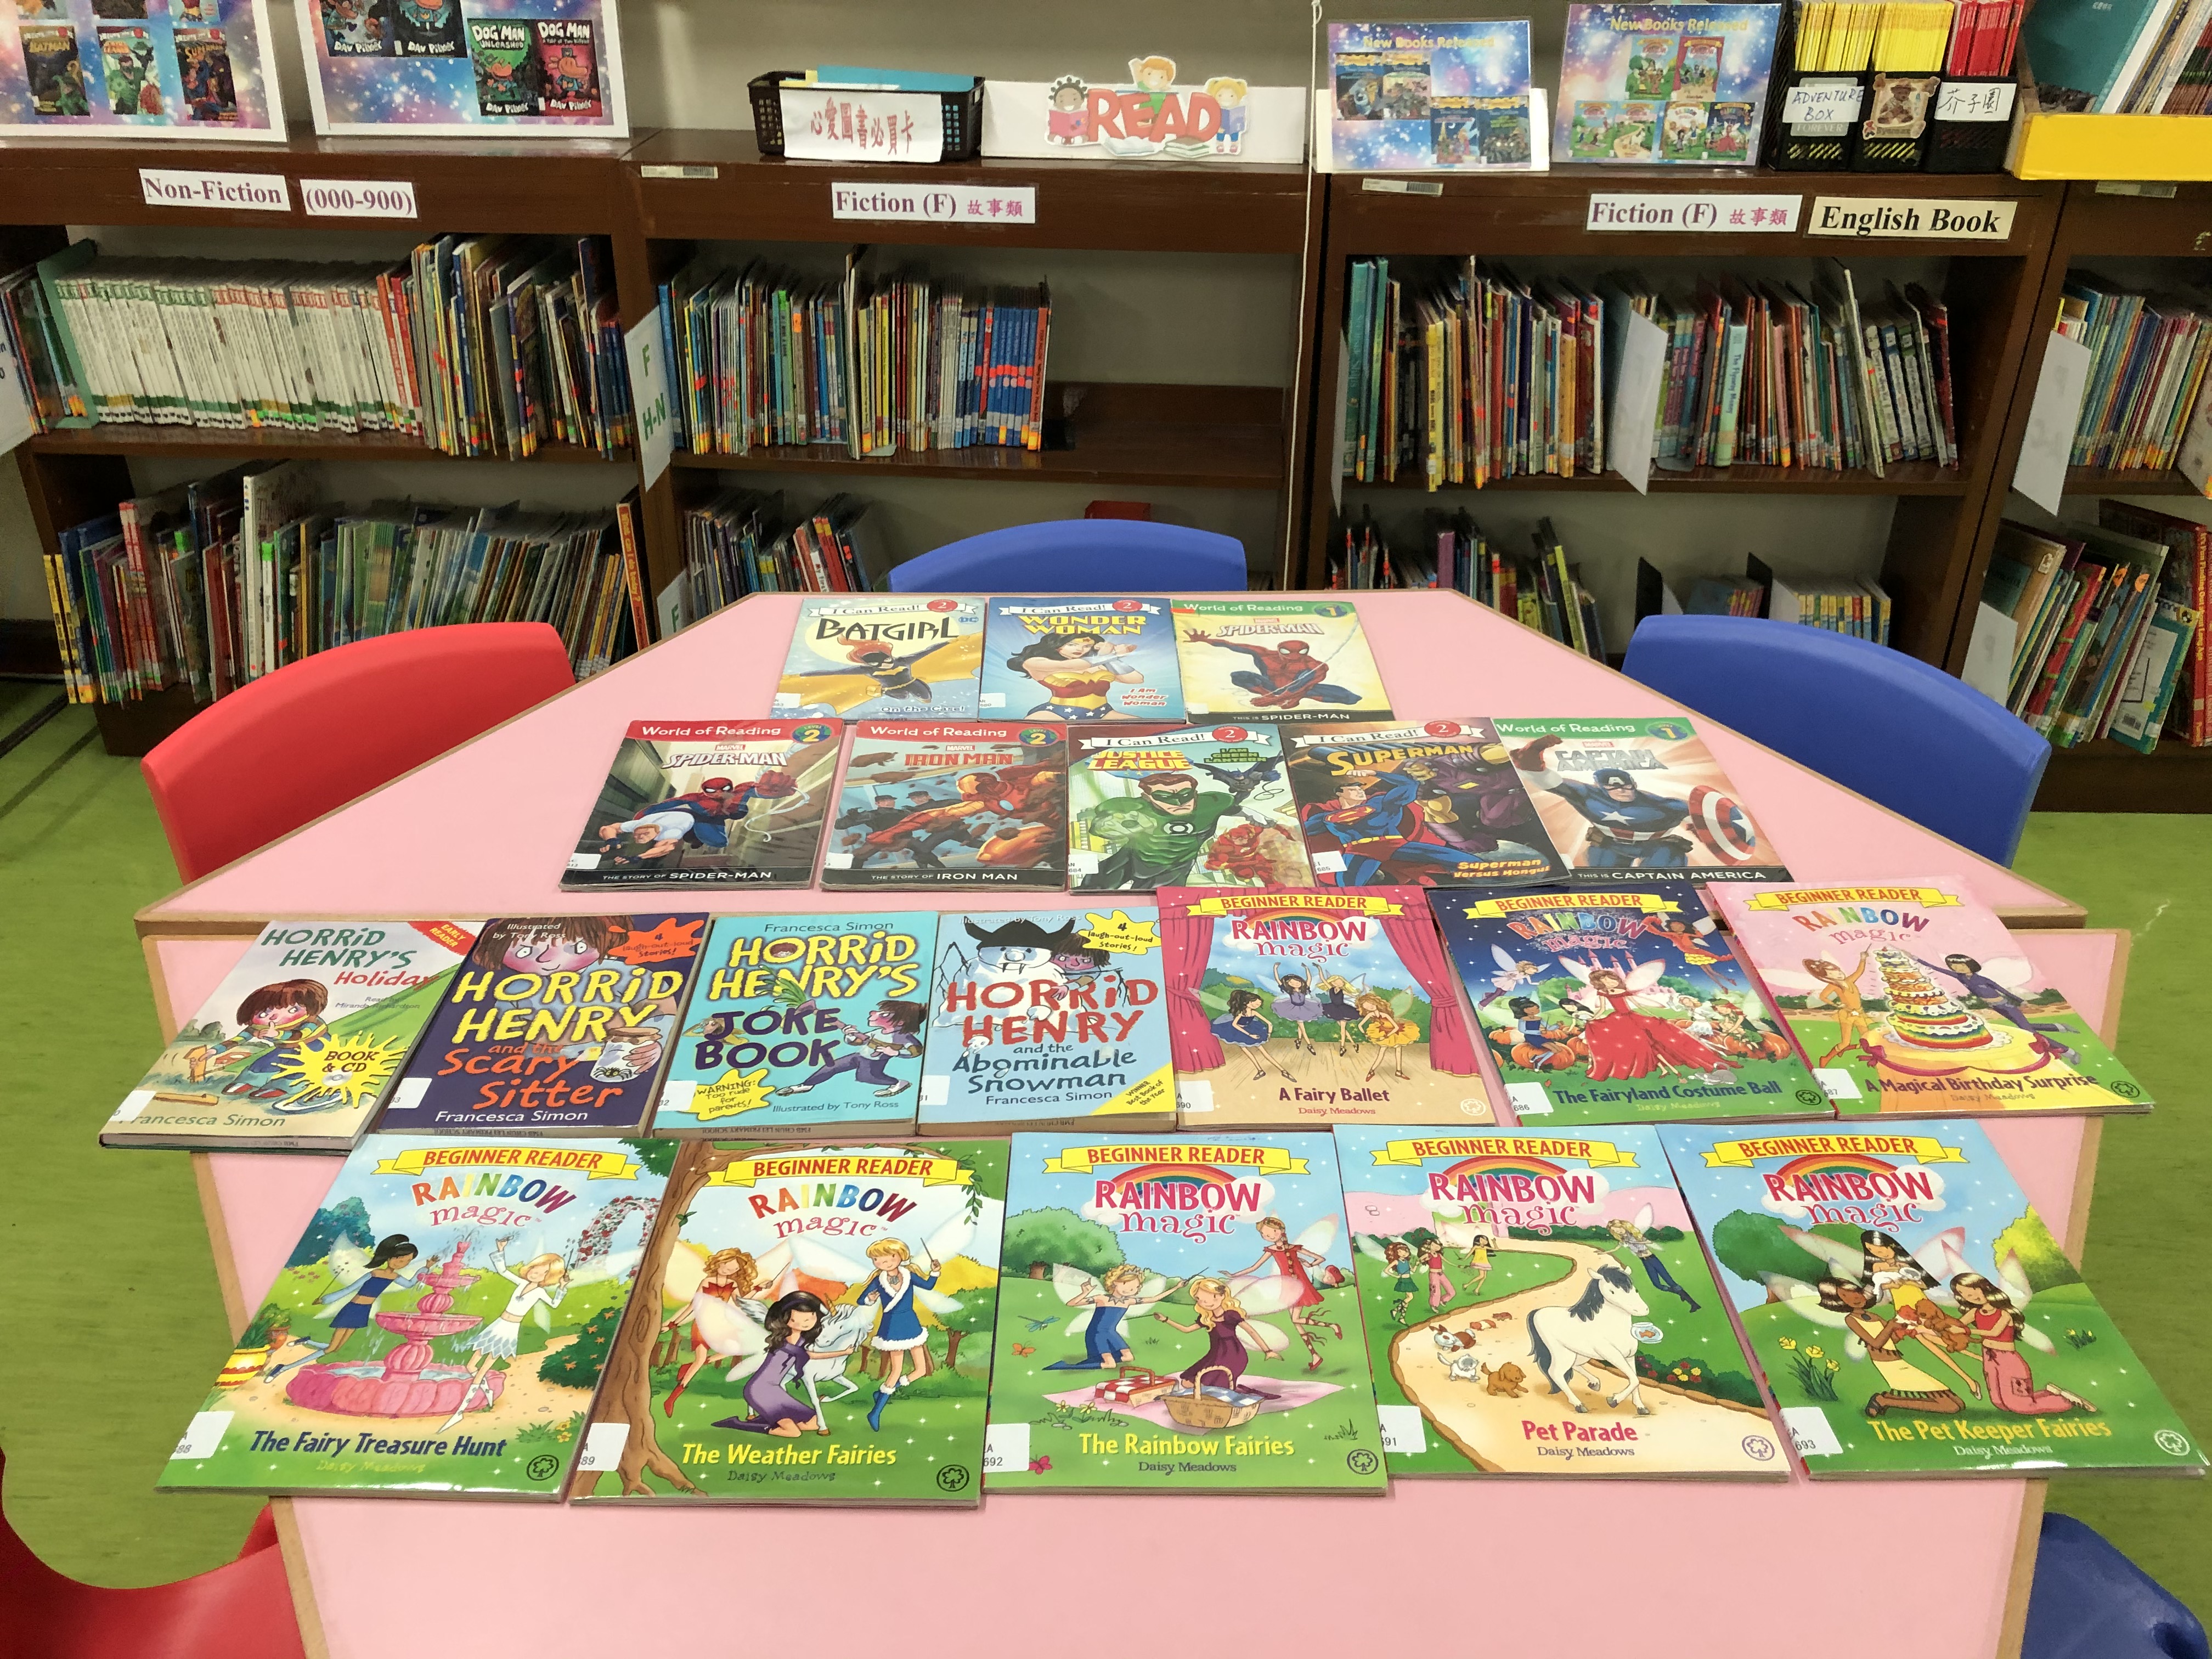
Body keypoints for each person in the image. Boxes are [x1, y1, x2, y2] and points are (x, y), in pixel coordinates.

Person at [1511, 733, 1756, 870]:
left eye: (1626, 786)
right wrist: (1533, 753)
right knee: (1602, 881)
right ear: (1602, 788)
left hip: (1657, 847)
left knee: (1666, 872)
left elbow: (1706, 815)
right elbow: (1547, 779)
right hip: (1610, 845)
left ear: (1634, 784)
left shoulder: (1663, 805)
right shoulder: (1586, 795)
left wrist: (1707, 829)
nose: (1622, 791)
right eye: (1613, 787)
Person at [1077, 763, 1277, 890]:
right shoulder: (1136, 807)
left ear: (1195, 793)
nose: (1178, 802)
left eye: (1185, 795)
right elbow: (1103, 821)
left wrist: (1254, 815)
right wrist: (1114, 825)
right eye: (1164, 797)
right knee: (1092, 887)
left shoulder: (1212, 802)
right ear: (1148, 797)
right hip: (1132, 857)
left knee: (1155, 902)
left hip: (1175, 865)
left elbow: (1233, 808)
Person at [440, 1239, 568, 1429]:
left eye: (542, 1272)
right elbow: (503, 1271)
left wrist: (562, 1288)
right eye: (535, 1268)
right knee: (471, 1365)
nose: (535, 1273)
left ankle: (459, 1412)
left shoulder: (540, 1292)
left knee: (482, 1371)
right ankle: (488, 1393)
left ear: (548, 1277)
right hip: (498, 1325)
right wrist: (500, 1250)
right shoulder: (521, 1282)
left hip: (508, 1330)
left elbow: (554, 1304)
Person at [1820, 1279, 1979, 1418]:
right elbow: (1876, 1343)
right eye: (1845, 1296)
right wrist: (1891, 1326)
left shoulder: (1874, 1316)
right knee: (1951, 1407)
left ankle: (1887, 1399)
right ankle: (1884, 1401)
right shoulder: (1851, 1319)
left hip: (1898, 1360)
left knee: (1959, 1403)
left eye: (1855, 1292)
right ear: (1838, 1302)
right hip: (1889, 1365)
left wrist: (1905, 1327)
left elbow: (1892, 1339)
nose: (1855, 1298)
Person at [1949, 1272, 2096, 1416]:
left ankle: (2066, 1400)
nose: (1972, 1296)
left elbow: (1994, 1332)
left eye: (1975, 1290)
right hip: (1990, 1359)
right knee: (2000, 1403)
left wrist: (1967, 1331)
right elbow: (1956, 1324)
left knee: (2020, 1406)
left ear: (1985, 1288)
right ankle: (2049, 1393)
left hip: (2008, 1360)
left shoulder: (2004, 1314)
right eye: (1964, 1294)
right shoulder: (1975, 1312)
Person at [713, 1292, 856, 1437]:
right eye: (795, 1320)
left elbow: (811, 1354)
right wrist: (842, 1352)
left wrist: (843, 1352)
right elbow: (809, 1355)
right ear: (785, 1319)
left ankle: (770, 1419)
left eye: (810, 1318)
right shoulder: (782, 1341)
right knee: (794, 1433)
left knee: (814, 1424)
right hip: (759, 1390)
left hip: (776, 1390)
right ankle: (737, 1424)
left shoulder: (802, 1340)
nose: (804, 1323)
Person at [1578, 966, 1734, 1082]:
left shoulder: (1623, 992)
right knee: (1629, 1042)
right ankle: (1636, 1065)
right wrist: (1593, 1019)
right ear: (1600, 983)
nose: (1609, 982)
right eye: (1604, 981)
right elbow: (1603, 1009)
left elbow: (1638, 1005)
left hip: (1632, 1017)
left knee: (1659, 1035)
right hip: (1617, 1019)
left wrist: (1651, 1015)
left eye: (1610, 979)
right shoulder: (1603, 993)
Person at [1910, 953, 2077, 1058]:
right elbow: (1934, 968)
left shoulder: (1983, 979)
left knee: (2029, 1032)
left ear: (1970, 965)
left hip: (2007, 1005)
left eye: (1960, 966)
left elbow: (2003, 991)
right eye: (1954, 967)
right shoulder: (1960, 977)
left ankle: (2068, 1051)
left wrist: (2021, 1001)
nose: (1957, 968)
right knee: (2025, 1027)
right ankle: (2060, 1027)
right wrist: (1914, 958)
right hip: (1996, 1008)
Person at [660, 1246, 763, 1415]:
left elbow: (741, 1303)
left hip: (720, 1324)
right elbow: (693, 1306)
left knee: (735, 1348)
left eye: (734, 1269)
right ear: (719, 1263)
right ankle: (672, 1398)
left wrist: (757, 1289)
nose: (729, 1271)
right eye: (727, 1266)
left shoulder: (733, 1284)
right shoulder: (707, 1282)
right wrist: (673, 1324)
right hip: (703, 1324)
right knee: (700, 1359)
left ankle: (688, 1366)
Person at [1229, 1215, 1340, 1369]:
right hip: (1288, 1287)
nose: (1269, 1236)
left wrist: (1308, 1265)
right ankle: (1315, 1356)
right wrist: (1234, 1275)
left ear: (1281, 1231)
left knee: (1296, 1320)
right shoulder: (1275, 1250)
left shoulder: (1292, 1248)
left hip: (1298, 1286)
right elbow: (1255, 1267)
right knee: (1296, 1323)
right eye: (1265, 1235)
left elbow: (1320, 1258)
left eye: (1272, 1233)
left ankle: (1332, 1326)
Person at [198, 979, 330, 1101]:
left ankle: (284, 1086)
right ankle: (250, 1080)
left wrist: (278, 1035)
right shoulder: (260, 1026)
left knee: (299, 1067)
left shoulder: (312, 1022)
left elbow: (300, 1035)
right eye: (264, 1013)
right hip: (285, 1048)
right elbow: (239, 1039)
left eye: (292, 1010)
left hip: (316, 1048)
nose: (274, 1017)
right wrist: (215, 1051)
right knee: (265, 1062)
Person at [856, 1238, 938, 1432]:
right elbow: (861, 1299)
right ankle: (875, 1412)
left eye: (888, 1257)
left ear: (900, 1256)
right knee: (896, 1370)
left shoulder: (909, 1275)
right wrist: (870, 1298)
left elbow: (928, 1286)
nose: (882, 1262)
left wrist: (935, 1272)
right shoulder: (879, 1280)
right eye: (877, 1260)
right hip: (892, 1325)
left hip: (910, 1322)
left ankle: (882, 1393)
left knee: (921, 1370)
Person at [1180, 629, 1365, 711]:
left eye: (1300, 653)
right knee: (1238, 676)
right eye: (1287, 653)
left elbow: (1302, 685)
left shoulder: (1315, 666)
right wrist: (1205, 640)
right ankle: (1274, 695)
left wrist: (1275, 700)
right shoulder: (1264, 654)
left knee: (1351, 699)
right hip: (1270, 687)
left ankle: (1296, 699)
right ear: (1279, 650)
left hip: (1302, 691)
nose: (1293, 657)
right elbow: (1232, 645)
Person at [774, 999, 924, 1098]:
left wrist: (896, 1053)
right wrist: (850, 1035)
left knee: (866, 1077)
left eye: (884, 1014)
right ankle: (806, 1085)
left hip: (874, 1062)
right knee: (831, 1066)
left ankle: (898, 1083)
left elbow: (917, 1050)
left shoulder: (902, 1037)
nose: (874, 1014)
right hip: (859, 1056)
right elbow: (858, 1042)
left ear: (901, 1022)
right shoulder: (877, 1032)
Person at [1043, 1264, 1181, 1370]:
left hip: (1111, 1333)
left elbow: (1154, 1298)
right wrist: (1085, 1292)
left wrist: (1177, 1287)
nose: (1130, 1290)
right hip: (1097, 1334)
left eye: (1134, 1288)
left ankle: (1101, 1357)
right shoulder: (1102, 1298)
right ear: (1115, 1282)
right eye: (1126, 1285)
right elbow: (1071, 1303)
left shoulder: (1128, 1301)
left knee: (1128, 1357)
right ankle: (1068, 1366)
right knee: (1110, 1365)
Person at [1155, 1277, 1276, 1398]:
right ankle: (1233, 1390)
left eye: (1209, 1299)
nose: (1204, 1303)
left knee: (1211, 1387)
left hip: (1234, 1355)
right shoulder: (1206, 1318)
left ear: (1222, 1296)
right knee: (1187, 1383)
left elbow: (1251, 1331)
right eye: (1200, 1300)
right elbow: (1187, 1329)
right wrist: (1165, 1320)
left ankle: (1231, 1391)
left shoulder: (1231, 1315)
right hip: (1215, 1355)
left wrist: (1268, 1351)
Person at [315, 1235, 427, 1360]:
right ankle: (296, 1363)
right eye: (399, 1259)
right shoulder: (374, 1273)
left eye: (407, 1261)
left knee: (337, 1348)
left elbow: (410, 1284)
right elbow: (350, 1289)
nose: (401, 1263)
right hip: (353, 1308)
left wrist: (425, 1269)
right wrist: (325, 1300)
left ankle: (309, 1342)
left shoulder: (395, 1277)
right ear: (390, 1257)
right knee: (331, 1348)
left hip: (364, 1310)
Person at [1005, 631, 1143, 719]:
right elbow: (1072, 666)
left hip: (1103, 712)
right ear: (1057, 645)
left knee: (1144, 728)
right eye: (1072, 644)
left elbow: (1136, 679)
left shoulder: (1099, 663)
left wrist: (1113, 659)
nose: (1080, 649)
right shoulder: (1034, 662)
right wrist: (1112, 655)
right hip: (1057, 713)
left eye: (1087, 646)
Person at [1605, 1216, 1699, 1311]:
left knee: (1670, 1282)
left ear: (1623, 1226)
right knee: (1657, 1285)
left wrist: (1640, 1242)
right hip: (1645, 1261)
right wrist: (1604, 1252)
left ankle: (1694, 1304)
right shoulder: (1623, 1240)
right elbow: (1616, 1248)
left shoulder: (1635, 1234)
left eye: (1618, 1229)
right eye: (1615, 1231)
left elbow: (1648, 1241)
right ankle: (1680, 1293)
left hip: (1652, 1259)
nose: (1618, 1232)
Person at [1804, 953, 1877, 1064]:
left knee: (1867, 1038)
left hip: (1859, 1013)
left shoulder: (1849, 981)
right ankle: (1826, 1058)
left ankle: (1848, 1049)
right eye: (1832, 974)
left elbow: (1859, 972)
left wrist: (1863, 959)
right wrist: (1836, 1005)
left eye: (1838, 972)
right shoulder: (1834, 986)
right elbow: (1823, 997)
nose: (1838, 975)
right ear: (1827, 977)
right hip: (1847, 1015)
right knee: (1845, 1042)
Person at [1210, 988, 1291, 1081]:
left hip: (1251, 1029)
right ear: (1246, 1003)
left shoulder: (1254, 1013)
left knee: (1262, 1051)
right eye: (1255, 1003)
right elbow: (1234, 1025)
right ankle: (1261, 1070)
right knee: (1247, 1050)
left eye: (1259, 1003)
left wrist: (1269, 1034)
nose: (1258, 1005)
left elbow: (1269, 1024)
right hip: (1240, 1032)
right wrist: (1249, 1035)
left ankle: (1282, 1070)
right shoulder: (1241, 1013)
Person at [1354, 990, 1420, 1082]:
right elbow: (1360, 1025)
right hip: (1383, 1030)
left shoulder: (1384, 1015)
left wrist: (1386, 1036)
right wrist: (1365, 1034)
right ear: (1365, 1008)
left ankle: (1399, 1071)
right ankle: (1372, 1071)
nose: (1370, 1007)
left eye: (1371, 1004)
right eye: (1367, 1006)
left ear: (1375, 1002)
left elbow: (1396, 1027)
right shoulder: (1371, 1014)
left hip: (1395, 1031)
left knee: (1398, 1049)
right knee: (1382, 1051)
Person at [1271, 973, 1325, 1054]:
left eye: (1297, 982)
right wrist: (1275, 969)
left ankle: (1299, 1039)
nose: (1295, 984)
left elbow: (1309, 979)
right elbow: (1278, 981)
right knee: (1302, 1027)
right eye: (1292, 983)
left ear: (1301, 982)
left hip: (1304, 1007)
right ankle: (1309, 1044)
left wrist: (1307, 969)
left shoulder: (1304, 989)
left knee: (1301, 1024)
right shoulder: (1290, 991)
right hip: (1294, 1008)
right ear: (1288, 984)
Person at [1382, 1240, 1418, 1324]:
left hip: (1409, 1280)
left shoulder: (1407, 1262)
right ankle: (1395, 1310)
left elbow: (1413, 1270)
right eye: (1401, 1252)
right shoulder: (1396, 1262)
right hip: (1403, 1281)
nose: (1404, 1254)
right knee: (1410, 1297)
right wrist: (1395, 1276)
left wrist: (1416, 1264)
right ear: (1397, 1253)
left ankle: (1402, 1318)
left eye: (1405, 1252)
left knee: (1407, 1299)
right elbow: (1386, 1270)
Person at [1419, 1238, 1454, 1313]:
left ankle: (1443, 1300)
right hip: (1433, 1275)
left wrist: (1457, 1265)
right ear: (1429, 1246)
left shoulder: (1439, 1255)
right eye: (1433, 1245)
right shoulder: (1428, 1255)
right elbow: (1420, 1260)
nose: (1435, 1247)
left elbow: (1447, 1261)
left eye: (1437, 1246)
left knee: (1451, 1290)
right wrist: (1426, 1259)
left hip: (1441, 1274)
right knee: (1436, 1292)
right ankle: (1434, 1305)